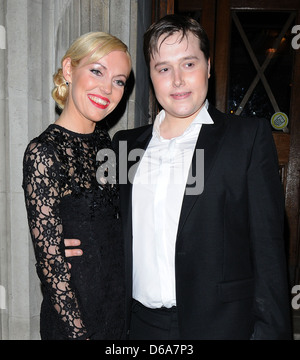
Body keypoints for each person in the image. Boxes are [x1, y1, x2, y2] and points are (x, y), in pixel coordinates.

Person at [66, 14, 292, 340]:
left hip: (223, 326)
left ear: (209, 67)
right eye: (163, 68)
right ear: (151, 76)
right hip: (138, 326)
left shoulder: (247, 138)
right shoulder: (125, 146)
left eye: (188, 64)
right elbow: (106, 227)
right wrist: (68, 241)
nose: (177, 80)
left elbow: (269, 253)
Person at [22, 31, 132, 340]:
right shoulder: (44, 152)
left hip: (119, 310)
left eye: (119, 80)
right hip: (77, 320)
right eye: (97, 71)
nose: (107, 89)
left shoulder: (106, 143)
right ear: (69, 70)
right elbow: (53, 269)